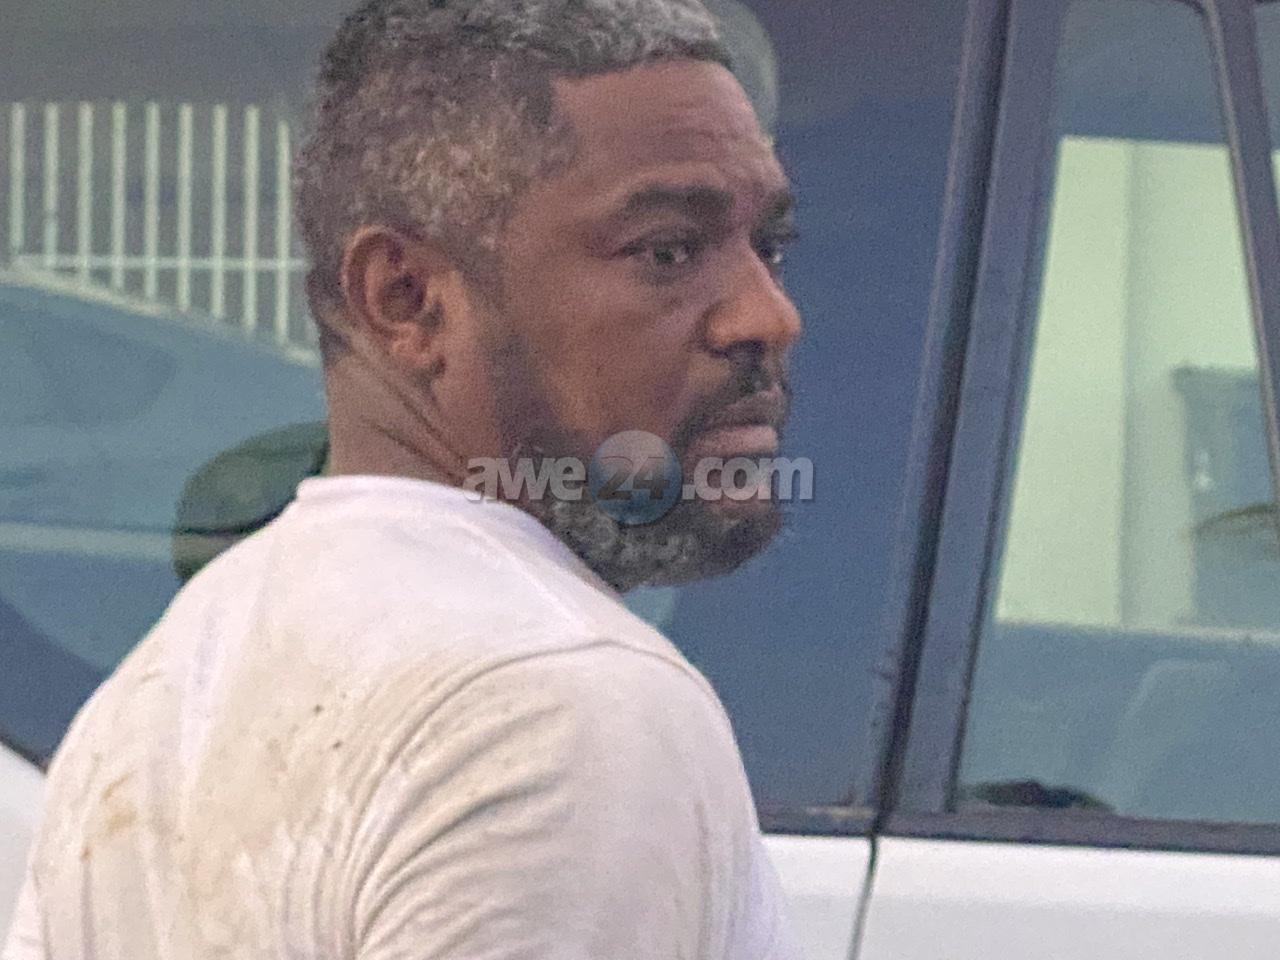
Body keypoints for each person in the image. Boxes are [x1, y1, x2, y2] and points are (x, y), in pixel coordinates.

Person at [3, 0, 804, 956]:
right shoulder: (558, 703)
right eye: (667, 251)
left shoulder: (163, 689)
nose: (769, 315)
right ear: (406, 298)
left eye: (770, 248)